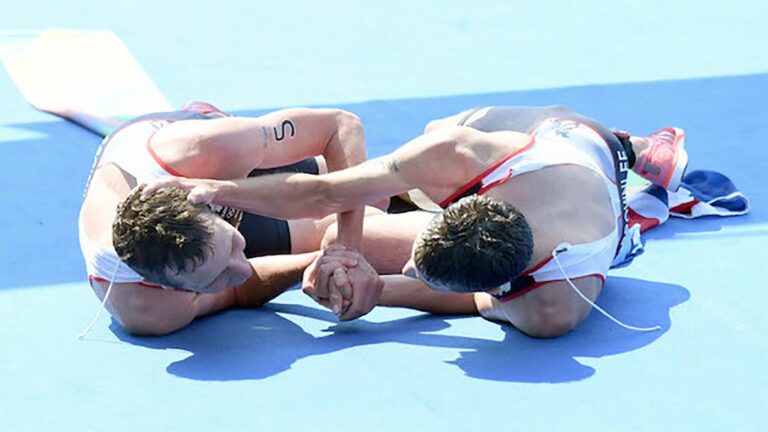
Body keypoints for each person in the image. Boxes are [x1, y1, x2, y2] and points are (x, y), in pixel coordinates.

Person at [143, 105, 687, 338]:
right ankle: (631, 149)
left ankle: (633, 152)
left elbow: (475, 301)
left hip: (588, 182)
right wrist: (215, 190)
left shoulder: (551, 309)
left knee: (365, 218)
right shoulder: (455, 153)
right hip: (567, 139)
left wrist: (380, 292)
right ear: (458, 208)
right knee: (432, 131)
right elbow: (321, 192)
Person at [79, 101, 427, 336]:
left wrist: (347, 252)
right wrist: (316, 262)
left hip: (209, 153)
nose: (241, 266)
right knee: (363, 235)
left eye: (233, 245)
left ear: (205, 200)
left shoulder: (205, 151)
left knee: (373, 195)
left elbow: (340, 126)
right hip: (208, 210)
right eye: (217, 277)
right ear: (176, 287)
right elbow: (239, 289)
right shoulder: (148, 309)